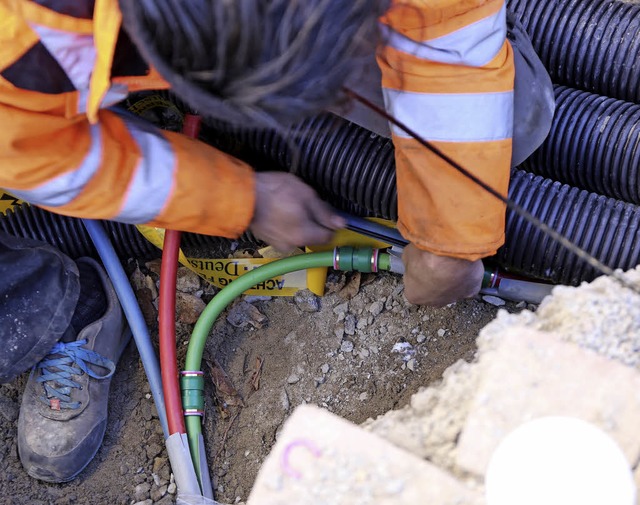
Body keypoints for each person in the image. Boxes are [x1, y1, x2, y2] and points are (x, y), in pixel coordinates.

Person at [0, 0, 553, 484]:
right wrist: (241, 199)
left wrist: (452, 234)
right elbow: (30, 152)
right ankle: (49, 307)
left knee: (515, 120)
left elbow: (451, 16)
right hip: (52, 68)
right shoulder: (21, 38)